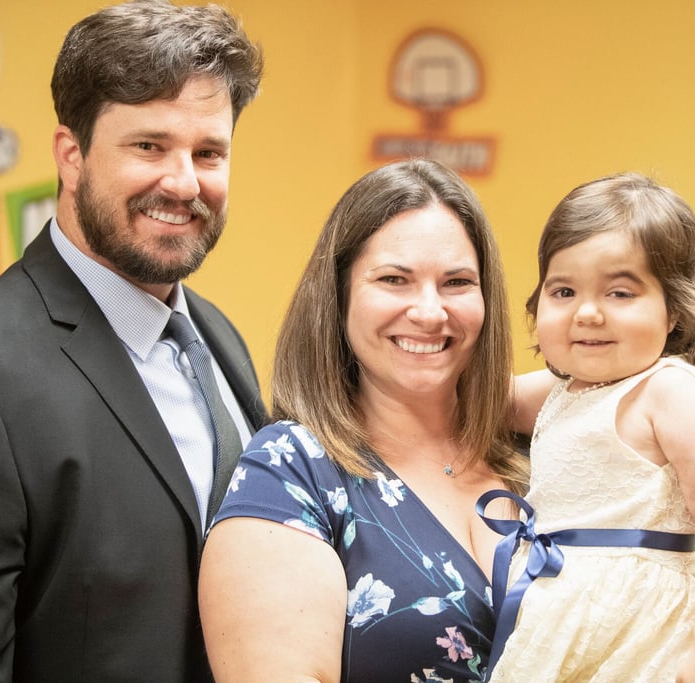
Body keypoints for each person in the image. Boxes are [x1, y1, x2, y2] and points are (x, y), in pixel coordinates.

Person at [0, 2, 267, 681]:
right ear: (72, 156)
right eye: (149, 146)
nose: (184, 182)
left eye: (208, 152)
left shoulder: (219, 339)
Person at [198, 158, 530, 683]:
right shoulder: (292, 472)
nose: (429, 311)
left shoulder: (538, 456)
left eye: (457, 282)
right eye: (394, 279)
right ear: (339, 296)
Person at [482, 172, 695, 682]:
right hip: (559, 621)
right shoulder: (564, 388)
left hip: (643, 633)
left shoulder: (669, 390)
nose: (587, 313)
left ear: (674, 309)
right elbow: (483, 399)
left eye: (619, 293)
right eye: (563, 291)